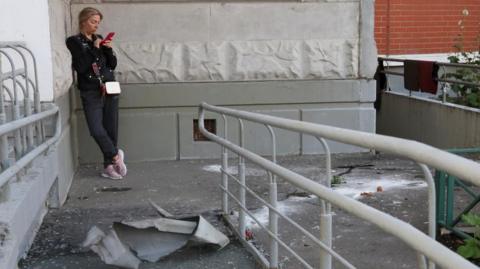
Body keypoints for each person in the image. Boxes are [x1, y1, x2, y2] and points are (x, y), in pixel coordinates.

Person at [66, 7, 127, 180]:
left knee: (110, 128)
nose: (96, 26)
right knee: (96, 129)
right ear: (83, 21)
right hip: (90, 90)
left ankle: (108, 167)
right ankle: (116, 156)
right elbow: (82, 67)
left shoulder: (98, 39)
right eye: (93, 22)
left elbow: (112, 65)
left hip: (109, 87)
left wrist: (107, 49)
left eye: (98, 23)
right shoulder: (73, 41)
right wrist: (94, 49)